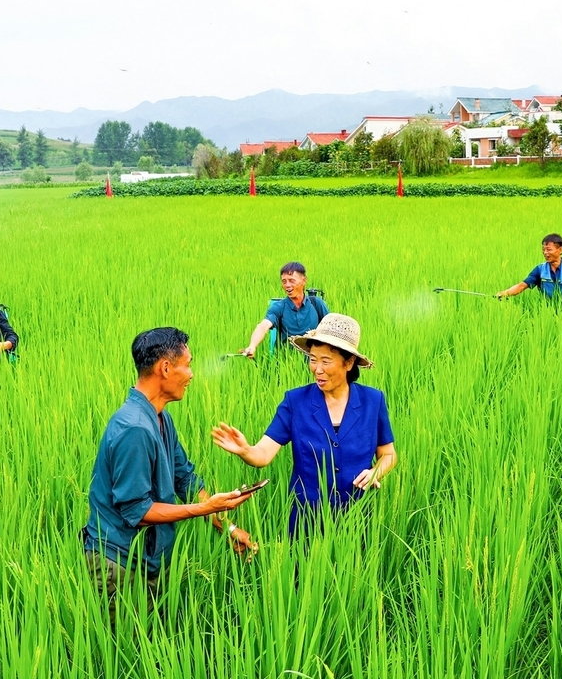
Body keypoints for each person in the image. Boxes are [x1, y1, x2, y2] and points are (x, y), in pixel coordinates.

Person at [83, 327, 257, 624]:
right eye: (187, 364)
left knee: (152, 641)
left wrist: (226, 527)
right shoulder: (134, 428)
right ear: (165, 368)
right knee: (125, 652)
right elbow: (137, 511)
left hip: (147, 556)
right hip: (119, 561)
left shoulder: (161, 416)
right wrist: (205, 508)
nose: (191, 374)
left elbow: (185, 479)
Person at [213, 313, 398, 539]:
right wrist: (246, 451)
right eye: (312, 359)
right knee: (305, 574)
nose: (317, 369)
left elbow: (388, 454)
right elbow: (263, 454)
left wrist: (374, 472)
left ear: (349, 363)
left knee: (356, 571)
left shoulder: (373, 401)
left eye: (326, 361)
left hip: (358, 516)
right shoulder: (296, 401)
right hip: (306, 518)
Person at [241, 262, 329, 358]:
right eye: (284, 281)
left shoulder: (316, 304)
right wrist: (252, 346)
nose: (287, 285)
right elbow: (263, 325)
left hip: (313, 362)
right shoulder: (279, 307)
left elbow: (330, 329)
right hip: (285, 361)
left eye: (292, 280)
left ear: (304, 281)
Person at [495, 233, 562, 306]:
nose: (545, 253)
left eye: (549, 249)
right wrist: (505, 293)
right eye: (543, 250)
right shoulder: (540, 270)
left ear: (560, 249)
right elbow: (522, 286)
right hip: (546, 312)